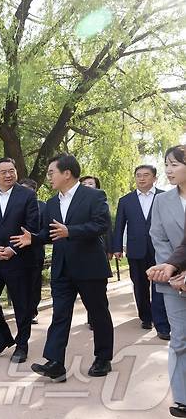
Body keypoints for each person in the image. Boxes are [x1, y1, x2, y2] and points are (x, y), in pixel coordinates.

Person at [11, 153, 114, 382]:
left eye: (51, 173)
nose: (49, 177)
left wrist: (71, 231)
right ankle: (55, 362)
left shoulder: (94, 196)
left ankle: (103, 358)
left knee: (98, 313)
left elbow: (101, 225)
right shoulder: (51, 203)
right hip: (62, 269)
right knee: (60, 315)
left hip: (90, 267)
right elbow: (50, 234)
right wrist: (34, 239)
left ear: (67, 173)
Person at [0, 159, 39, 363]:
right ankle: (2, 337)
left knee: (22, 304)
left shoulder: (28, 195)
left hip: (19, 258)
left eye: (11, 171)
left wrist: (13, 249)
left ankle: (22, 345)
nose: (8, 175)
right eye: (3, 172)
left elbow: (32, 226)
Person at [147, 145, 186, 417]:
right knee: (180, 340)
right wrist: (172, 272)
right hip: (173, 283)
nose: (169, 170)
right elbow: (158, 238)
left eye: (175, 164)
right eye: (167, 165)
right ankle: (182, 398)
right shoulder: (161, 201)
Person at [113, 165, 169, 339]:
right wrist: (116, 248)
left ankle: (162, 324)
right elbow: (119, 225)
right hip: (136, 249)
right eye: (138, 175)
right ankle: (145, 317)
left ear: (154, 178)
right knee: (140, 284)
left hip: (160, 249)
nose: (142, 178)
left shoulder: (165, 197)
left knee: (160, 284)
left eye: (146, 175)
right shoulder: (126, 200)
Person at [79, 175, 114, 331]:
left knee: (99, 290)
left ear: (96, 186)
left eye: (90, 183)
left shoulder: (99, 200)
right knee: (87, 291)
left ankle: (99, 319)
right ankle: (91, 318)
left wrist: (110, 249)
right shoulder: (75, 203)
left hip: (98, 251)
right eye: (84, 183)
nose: (87, 185)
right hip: (80, 253)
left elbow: (107, 229)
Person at [19, 178, 46, 325]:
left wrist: (34, 238)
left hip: (35, 251)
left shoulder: (43, 207)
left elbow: (45, 231)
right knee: (19, 284)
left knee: (35, 283)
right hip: (17, 251)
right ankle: (22, 311)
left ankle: (33, 311)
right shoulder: (14, 205)